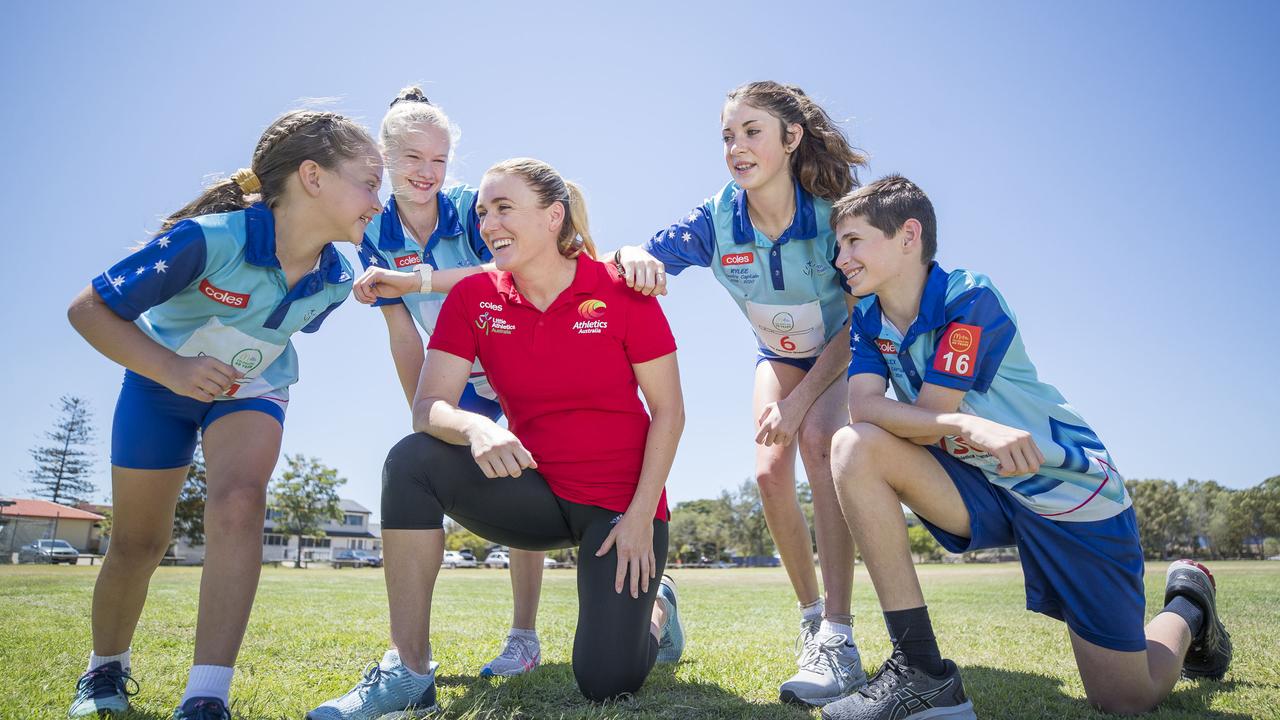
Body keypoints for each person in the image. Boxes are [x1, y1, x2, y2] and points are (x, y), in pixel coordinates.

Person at [821, 175, 1232, 720]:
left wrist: (950, 426)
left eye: (854, 240)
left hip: (1067, 491)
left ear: (908, 236)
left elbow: (921, 417)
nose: (840, 256)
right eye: (838, 243)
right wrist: (969, 429)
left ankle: (1189, 604)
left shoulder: (969, 297)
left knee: (1127, 698)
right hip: (982, 481)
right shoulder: (869, 319)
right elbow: (863, 409)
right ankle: (920, 671)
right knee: (854, 446)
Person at [308, 158, 686, 718]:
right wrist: (475, 424)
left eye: (504, 208)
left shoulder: (621, 289)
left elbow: (669, 411)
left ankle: (659, 609)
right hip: (532, 491)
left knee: (606, 682)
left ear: (554, 216)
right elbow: (428, 407)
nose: (487, 224)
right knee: (412, 460)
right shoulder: (473, 297)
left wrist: (639, 517)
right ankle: (408, 668)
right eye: (484, 212)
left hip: (619, 510)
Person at [65, 111, 382, 720]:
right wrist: (174, 370)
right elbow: (88, 311)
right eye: (369, 182)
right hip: (159, 384)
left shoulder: (336, 279)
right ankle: (103, 672)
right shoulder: (210, 239)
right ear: (312, 176)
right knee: (138, 541)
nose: (378, 198)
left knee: (240, 501)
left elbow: (282, 329)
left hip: (252, 387)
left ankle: (206, 694)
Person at [615, 80, 868, 705]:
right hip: (776, 357)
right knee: (767, 471)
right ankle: (812, 619)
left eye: (752, 131)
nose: (737, 146)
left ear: (791, 138)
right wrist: (629, 255)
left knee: (816, 442)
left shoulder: (836, 212)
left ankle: (841, 633)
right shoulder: (716, 217)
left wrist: (801, 401)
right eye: (728, 135)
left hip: (846, 352)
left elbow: (864, 318)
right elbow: (634, 260)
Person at [350, 85, 552, 678]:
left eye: (438, 159)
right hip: (454, 370)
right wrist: (426, 409)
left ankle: (523, 638)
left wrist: (416, 282)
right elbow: (400, 331)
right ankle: (412, 653)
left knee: (529, 478)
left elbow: (502, 269)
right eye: (413, 158)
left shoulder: (470, 207)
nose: (427, 172)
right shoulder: (370, 231)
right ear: (385, 158)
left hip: (521, 356)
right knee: (421, 465)